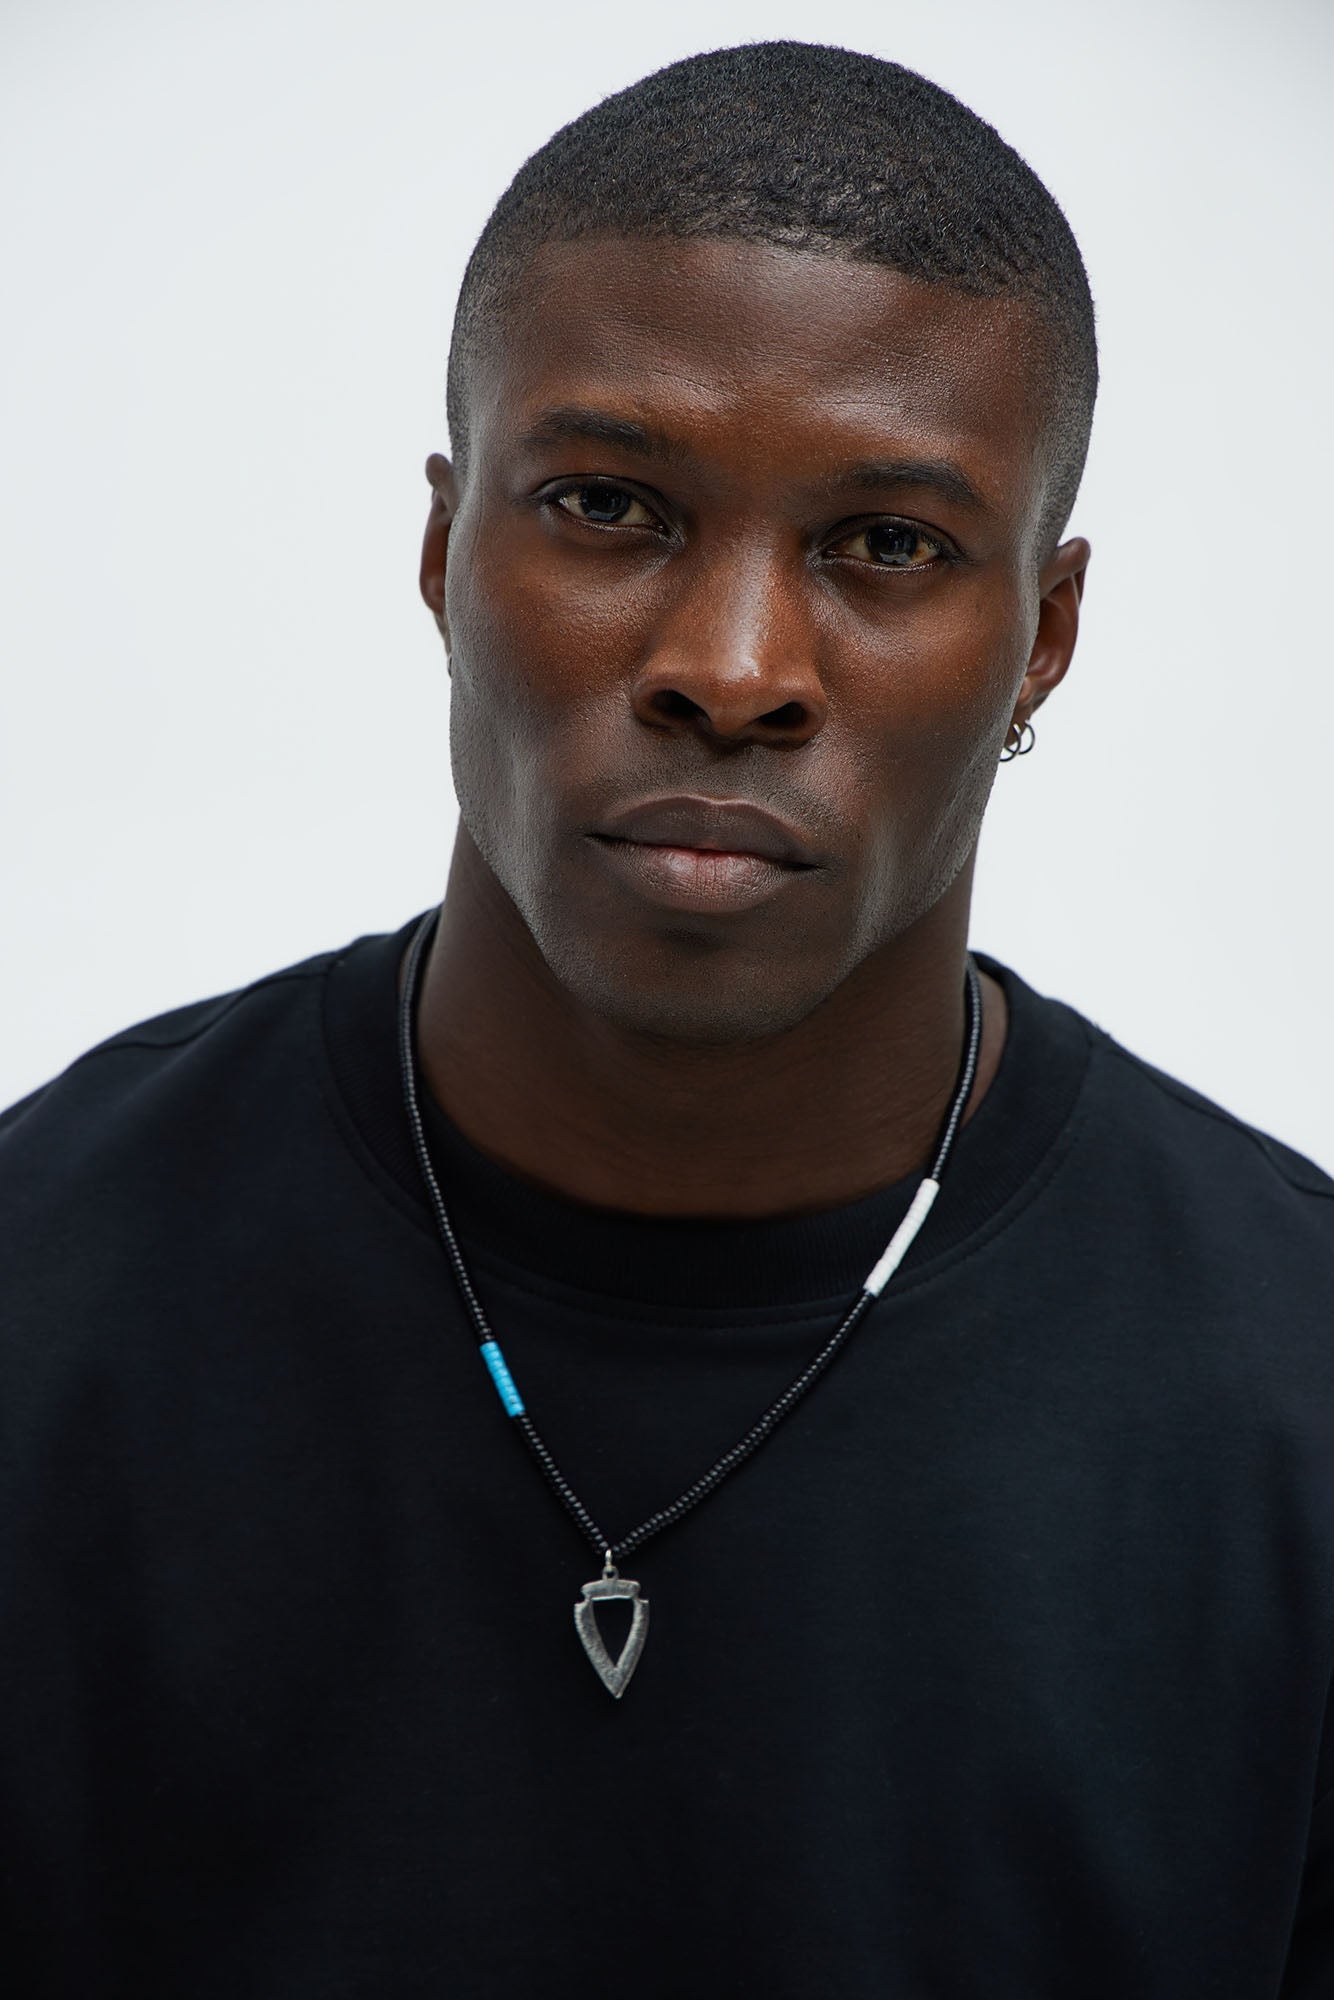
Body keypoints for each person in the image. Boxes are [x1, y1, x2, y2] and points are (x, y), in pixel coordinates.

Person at [2, 37, 1330, 1998]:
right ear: (443, 552)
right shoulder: (42, 1294)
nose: (730, 666)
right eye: (610, 504)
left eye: (886, 543)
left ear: (1042, 634)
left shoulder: (1292, 1408)